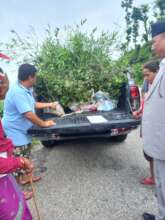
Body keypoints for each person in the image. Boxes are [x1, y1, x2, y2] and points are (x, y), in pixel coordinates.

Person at [2, 63, 57, 185]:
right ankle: (18, 188)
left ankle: (25, 178)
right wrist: (43, 124)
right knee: (18, 158)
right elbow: (28, 114)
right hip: (14, 130)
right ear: (30, 77)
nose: (36, 78)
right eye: (35, 76)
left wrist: (49, 104)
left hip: (22, 128)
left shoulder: (25, 88)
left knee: (25, 152)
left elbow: (32, 105)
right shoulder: (17, 92)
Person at [0, 70, 33, 219]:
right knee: (12, 211)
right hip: (3, 172)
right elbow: (28, 113)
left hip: (4, 170)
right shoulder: (17, 92)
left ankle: (18, 190)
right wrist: (19, 161)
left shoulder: (26, 91)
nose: (5, 91)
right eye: (4, 84)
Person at [142, 20, 165, 220]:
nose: (152, 45)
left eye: (154, 41)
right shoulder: (163, 66)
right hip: (159, 145)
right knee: (161, 185)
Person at [133, 60, 159, 186]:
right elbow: (146, 101)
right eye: (144, 75)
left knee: (156, 152)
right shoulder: (149, 84)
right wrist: (139, 111)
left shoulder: (161, 86)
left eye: (147, 75)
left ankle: (156, 178)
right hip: (148, 124)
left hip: (157, 127)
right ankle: (154, 177)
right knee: (148, 153)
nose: (145, 78)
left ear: (157, 72)